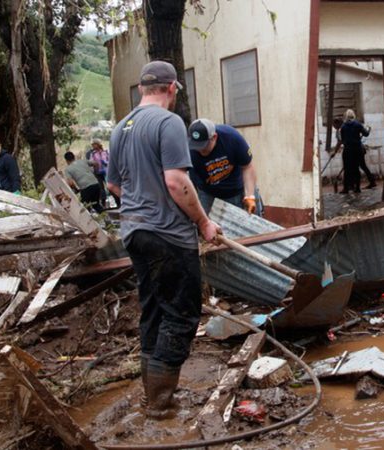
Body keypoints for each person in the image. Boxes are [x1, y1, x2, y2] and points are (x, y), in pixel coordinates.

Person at [106, 60, 221, 419]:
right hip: (168, 235)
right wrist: (204, 223)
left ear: (142, 89)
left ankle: (152, 394)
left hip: (134, 232)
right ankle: (159, 403)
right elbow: (175, 182)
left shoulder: (120, 128)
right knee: (182, 314)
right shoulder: (169, 122)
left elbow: (113, 185)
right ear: (172, 89)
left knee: (154, 310)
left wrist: (141, 205)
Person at [187, 118, 262, 216]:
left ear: (214, 137)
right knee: (206, 225)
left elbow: (247, 166)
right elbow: (190, 183)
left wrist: (250, 196)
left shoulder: (232, 138)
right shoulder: (189, 150)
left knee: (255, 222)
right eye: (197, 146)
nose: (200, 150)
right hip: (209, 193)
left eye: (204, 146)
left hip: (238, 188)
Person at [331, 117, 377, 192]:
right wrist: (368, 129)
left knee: (347, 169)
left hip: (348, 150)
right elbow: (366, 134)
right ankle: (357, 188)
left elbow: (342, 141)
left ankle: (346, 188)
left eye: (335, 126)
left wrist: (336, 151)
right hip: (358, 149)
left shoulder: (343, 128)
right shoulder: (358, 124)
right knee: (356, 169)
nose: (335, 128)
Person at [86, 138, 119, 209]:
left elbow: (110, 160)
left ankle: (117, 201)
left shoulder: (106, 152)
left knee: (110, 187)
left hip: (106, 172)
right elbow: (91, 162)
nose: (93, 146)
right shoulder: (93, 154)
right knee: (101, 189)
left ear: (98, 144)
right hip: (97, 173)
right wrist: (93, 164)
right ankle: (103, 204)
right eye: (92, 145)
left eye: (94, 144)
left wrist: (105, 163)